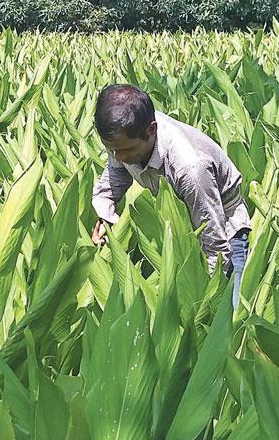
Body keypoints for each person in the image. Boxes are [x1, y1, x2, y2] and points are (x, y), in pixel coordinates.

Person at [89, 84, 252, 308]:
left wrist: (207, 299)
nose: (118, 157)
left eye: (126, 150)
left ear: (151, 130)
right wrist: (105, 215)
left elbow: (215, 245)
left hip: (223, 226)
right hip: (179, 223)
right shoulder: (121, 138)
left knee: (228, 315)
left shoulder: (190, 168)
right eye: (111, 149)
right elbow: (114, 179)